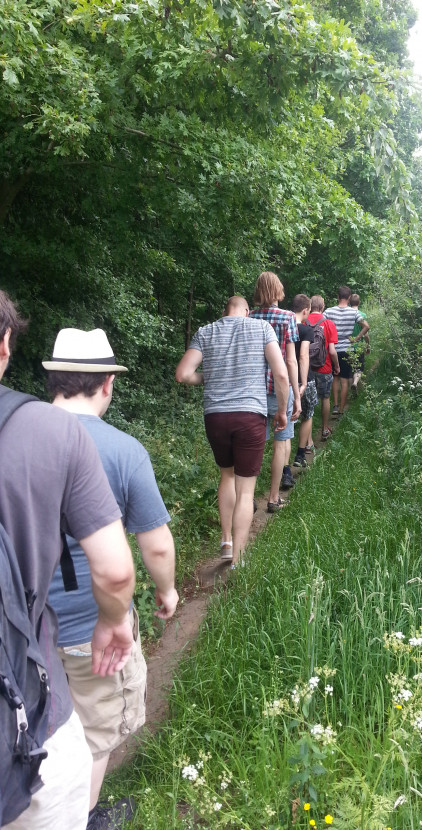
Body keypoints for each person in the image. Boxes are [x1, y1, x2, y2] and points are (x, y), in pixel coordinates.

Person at [0, 292, 135, 830]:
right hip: (27, 712)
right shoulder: (53, 436)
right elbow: (117, 568)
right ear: (5, 345)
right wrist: (114, 619)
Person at [43, 328, 179, 830]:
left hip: (22, 623)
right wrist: (166, 590)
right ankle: (81, 818)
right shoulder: (122, 450)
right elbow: (156, 544)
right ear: (107, 384)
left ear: (54, 381)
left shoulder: (12, 434)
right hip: (89, 629)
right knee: (97, 732)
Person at [176, 296, 289, 557]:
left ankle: (226, 542)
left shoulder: (206, 331)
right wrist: (282, 411)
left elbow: (182, 374)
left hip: (215, 417)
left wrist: (209, 376)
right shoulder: (261, 328)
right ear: (247, 312)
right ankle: (238, 558)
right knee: (246, 488)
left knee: (226, 475)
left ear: (224, 311)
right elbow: (281, 374)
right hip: (250, 416)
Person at [248, 272, 301, 509]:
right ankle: (273, 497)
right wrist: (296, 395)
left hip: (253, 392)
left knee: (255, 445)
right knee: (281, 443)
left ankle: (248, 498)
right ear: (278, 290)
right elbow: (290, 361)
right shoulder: (287, 317)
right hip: (280, 391)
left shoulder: (249, 317)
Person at [324, 286, 370, 416]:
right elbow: (366, 326)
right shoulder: (354, 313)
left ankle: (335, 405)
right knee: (345, 380)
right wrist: (356, 339)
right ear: (349, 298)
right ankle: (341, 410)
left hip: (333, 349)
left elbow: (321, 324)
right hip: (347, 349)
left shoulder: (329, 311)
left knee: (335, 378)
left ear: (338, 297)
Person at [307, 295, 339, 441]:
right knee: (325, 398)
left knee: (308, 403)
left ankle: (307, 441)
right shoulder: (328, 324)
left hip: (306, 369)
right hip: (324, 368)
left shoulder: (303, 321)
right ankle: (324, 429)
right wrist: (336, 366)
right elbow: (332, 351)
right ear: (322, 307)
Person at [291, 294, 316, 468]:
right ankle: (300, 455)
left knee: (287, 419)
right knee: (307, 416)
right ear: (306, 310)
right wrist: (304, 381)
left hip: (285, 378)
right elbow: (303, 356)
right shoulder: (306, 329)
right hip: (304, 379)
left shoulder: (284, 326)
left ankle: (284, 467)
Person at [349, 293, 370, 394]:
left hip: (347, 346)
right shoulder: (362, 315)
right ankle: (355, 383)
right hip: (359, 347)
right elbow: (366, 335)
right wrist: (367, 346)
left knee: (349, 369)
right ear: (359, 302)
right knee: (359, 368)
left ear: (349, 302)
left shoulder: (346, 314)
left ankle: (349, 390)